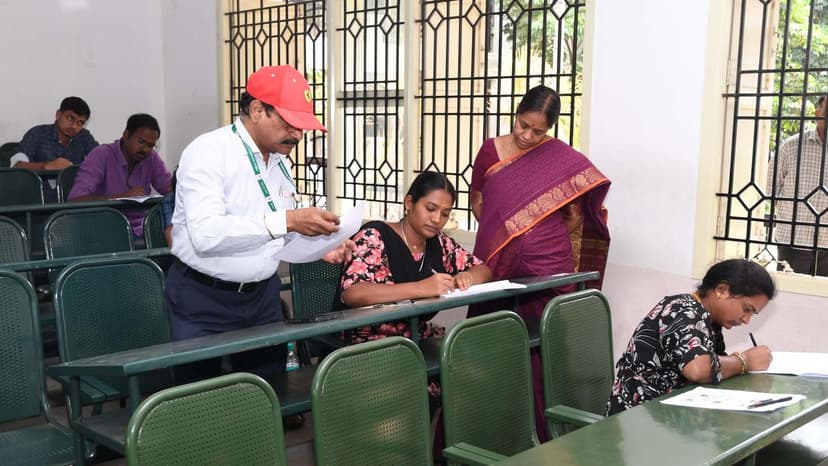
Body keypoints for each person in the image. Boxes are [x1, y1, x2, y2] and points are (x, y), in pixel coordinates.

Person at [166, 65, 353, 390]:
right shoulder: (209, 153)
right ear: (256, 110)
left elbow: (278, 231)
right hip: (203, 299)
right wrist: (289, 220)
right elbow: (206, 234)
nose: (297, 135)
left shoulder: (280, 162)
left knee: (266, 398)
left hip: (262, 299)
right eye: (288, 123)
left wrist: (321, 246)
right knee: (196, 406)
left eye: (301, 127)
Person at [468, 84, 611, 441]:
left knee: (547, 339)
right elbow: (478, 204)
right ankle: (489, 430)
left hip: (548, 261)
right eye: (523, 125)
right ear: (515, 115)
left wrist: (536, 226)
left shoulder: (559, 157)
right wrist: (507, 231)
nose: (528, 136)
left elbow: (576, 214)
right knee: (490, 334)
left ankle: (548, 435)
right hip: (499, 257)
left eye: (538, 130)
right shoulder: (491, 151)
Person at [606, 258, 775, 415]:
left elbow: (716, 369)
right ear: (722, 290)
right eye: (747, 309)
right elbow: (698, 369)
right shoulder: (682, 311)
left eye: (753, 314)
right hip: (638, 417)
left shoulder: (709, 320)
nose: (746, 320)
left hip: (669, 415)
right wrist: (744, 360)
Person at [340, 170, 492, 342]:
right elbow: (353, 293)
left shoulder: (439, 242)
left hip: (414, 338)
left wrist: (466, 276)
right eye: (430, 208)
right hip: (367, 343)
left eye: (445, 214)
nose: (437, 219)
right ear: (409, 202)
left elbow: (484, 270)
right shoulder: (374, 236)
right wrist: (420, 288)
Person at [68, 113, 172, 238]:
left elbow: (169, 189)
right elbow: (76, 200)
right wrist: (122, 198)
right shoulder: (101, 155)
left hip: (142, 230)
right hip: (103, 229)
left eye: (150, 145)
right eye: (141, 142)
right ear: (126, 135)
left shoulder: (151, 157)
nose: (145, 149)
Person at [766, 95, 828, 276]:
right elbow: (772, 189)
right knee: (788, 294)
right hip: (792, 240)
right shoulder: (792, 146)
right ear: (817, 114)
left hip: (826, 244)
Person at [11, 96, 99, 171]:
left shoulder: (84, 136)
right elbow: (16, 166)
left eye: (80, 123)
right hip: (40, 189)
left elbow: (102, 159)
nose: (74, 126)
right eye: (70, 118)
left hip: (74, 189)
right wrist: (45, 166)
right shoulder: (38, 133)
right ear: (58, 115)